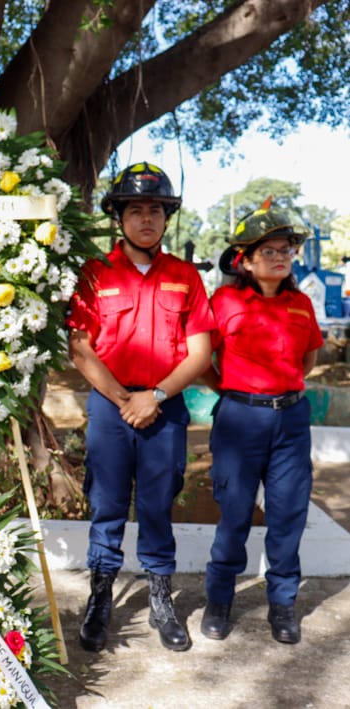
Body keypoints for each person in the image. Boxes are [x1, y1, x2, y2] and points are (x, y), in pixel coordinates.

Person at [66, 162, 215, 652]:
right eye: (136, 210)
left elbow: (200, 353)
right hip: (112, 407)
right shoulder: (94, 273)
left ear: (167, 218)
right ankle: (101, 596)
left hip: (165, 405)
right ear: (119, 217)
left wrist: (155, 396)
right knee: (106, 502)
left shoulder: (185, 276)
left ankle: (160, 597)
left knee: (157, 503)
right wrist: (124, 399)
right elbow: (80, 348)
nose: (146, 218)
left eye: (155, 209)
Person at [201, 202, 323, 644]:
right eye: (267, 250)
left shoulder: (301, 304)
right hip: (239, 419)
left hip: (290, 420)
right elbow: (201, 360)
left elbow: (308, 358)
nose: (279, 256)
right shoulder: (225, 301)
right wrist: (232, 392)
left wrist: (280, 391)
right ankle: (219, 600)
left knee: (288, 514)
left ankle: (283, 604)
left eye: (286, 249)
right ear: (245, 261)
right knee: (234, 513)